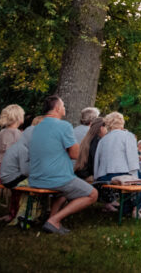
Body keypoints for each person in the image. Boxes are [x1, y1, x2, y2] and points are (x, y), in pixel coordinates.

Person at [28, 95, 98, 234]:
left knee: (63, 193)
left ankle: (51, 219)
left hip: (35, 178)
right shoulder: (63, 125)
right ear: (58, 108)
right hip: (56, 178)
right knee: (93, 194)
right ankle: (54, 221)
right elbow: (74, 154)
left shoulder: (37, 128)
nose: (64, 108)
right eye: (64, 106)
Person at [94, 112, 141, 218]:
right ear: (122, 123)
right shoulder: (128, 136)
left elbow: (97, 160)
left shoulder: (103, 140)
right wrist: (136, 177)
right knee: (138, 179)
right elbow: (133, 160)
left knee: (136, 180)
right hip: (120, 174)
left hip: (104, 176)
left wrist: (97, 177)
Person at [0, 115, 44, 224]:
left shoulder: (20, 145)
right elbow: (25, 171)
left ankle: (30, 214)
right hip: (11, 179)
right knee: (40, 184)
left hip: (10, 177)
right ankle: (28, 215)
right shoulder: (23, 148)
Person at [0, 104, 24, 185]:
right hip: (3, 176)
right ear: (19, 117)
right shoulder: (17, 133)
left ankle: (15, 197)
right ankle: (19, 197)